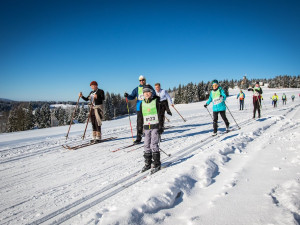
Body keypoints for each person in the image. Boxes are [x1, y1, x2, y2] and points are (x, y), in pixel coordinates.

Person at [124, 75, 156, 144]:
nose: (142, 81)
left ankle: (152, 136)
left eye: (143, 80)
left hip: (148, 107)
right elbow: (132, 96)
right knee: (139, 122)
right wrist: (127, 96)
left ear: (145, 80)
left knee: (149, 121)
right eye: (140, 80)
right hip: (139, 107)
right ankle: (138, 138)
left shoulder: (149, 87)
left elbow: (154, 94)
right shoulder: (137, 89)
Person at [139, 85, 164, 174]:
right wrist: (139, 128)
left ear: (151, 93)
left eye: (148, 92)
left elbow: (161, 115)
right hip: (146, 127)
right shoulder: (142, 103)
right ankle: (148, 163)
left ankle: (157, 163)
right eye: (145, 92)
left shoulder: (156, 101)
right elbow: (140, 116)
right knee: (146, 145)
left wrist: (161, 126)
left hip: (155, 126)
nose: (146, 93)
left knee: (153, 144)